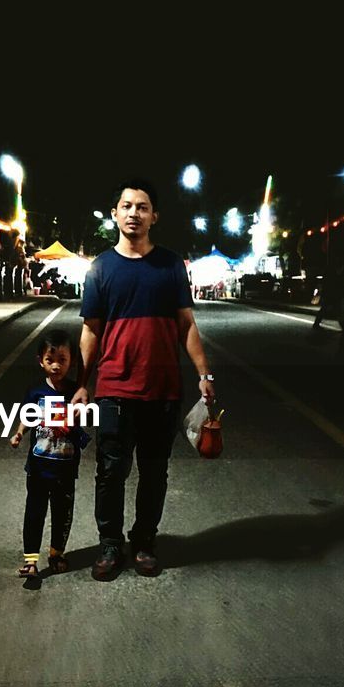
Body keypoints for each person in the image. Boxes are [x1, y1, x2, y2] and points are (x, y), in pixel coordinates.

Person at [72, 179, 216, 580]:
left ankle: (145, 542)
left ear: (154, 217)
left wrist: (205, 373)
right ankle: (110, 544)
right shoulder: (100, 268)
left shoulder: (170, 265)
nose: (134, 213)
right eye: (127, 206)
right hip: (115, 389)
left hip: (163, 390)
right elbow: (91, 331)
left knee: (154, 472)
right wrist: (82, 383)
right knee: (110, 471)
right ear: (115, 214)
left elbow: (186, 325)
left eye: (142, 207)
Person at [9, 329, 90, 578]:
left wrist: (79, 413)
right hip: (38, 467)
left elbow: (86, 415)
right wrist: (19, 433)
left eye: (62, 360)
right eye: (49, 360)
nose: (56, 366)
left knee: (62, 513)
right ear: (40, 361)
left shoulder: (76, 391)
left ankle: (57, 553)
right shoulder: (35, 392)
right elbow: (27, 417)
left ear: (72, 361)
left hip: (65, 467)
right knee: (34, 511)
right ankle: (31, 559)